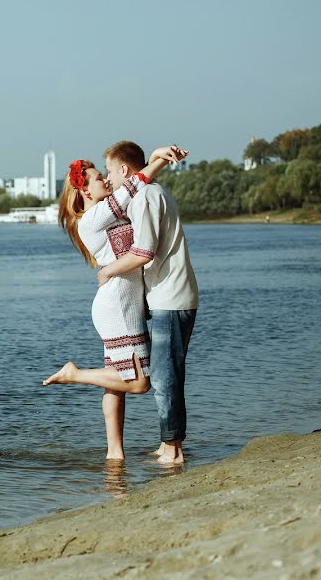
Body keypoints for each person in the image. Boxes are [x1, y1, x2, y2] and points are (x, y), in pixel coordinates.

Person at [44, 146, 187, 460]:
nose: (105, 182)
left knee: (116, 382)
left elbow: (134, 189)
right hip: (118, 306)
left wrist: (154, 160)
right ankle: (74, 374)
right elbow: (135, 183)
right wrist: (160, 159)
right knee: (137, 383)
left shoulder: (108, 214)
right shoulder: (92, 218)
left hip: (123, 302)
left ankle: (115, 454)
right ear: (84, 191)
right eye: (98, 180)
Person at [98, 141, 199, 465]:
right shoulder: (153, 192)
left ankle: (173, 448)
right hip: (173, 294)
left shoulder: (143, 198)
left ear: (125, 170)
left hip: (171, 297)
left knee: (165, 375)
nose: (109, 177)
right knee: (169, 372)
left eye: (111, 171)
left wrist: (108, 271)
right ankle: (168, 442)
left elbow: (143, 252)